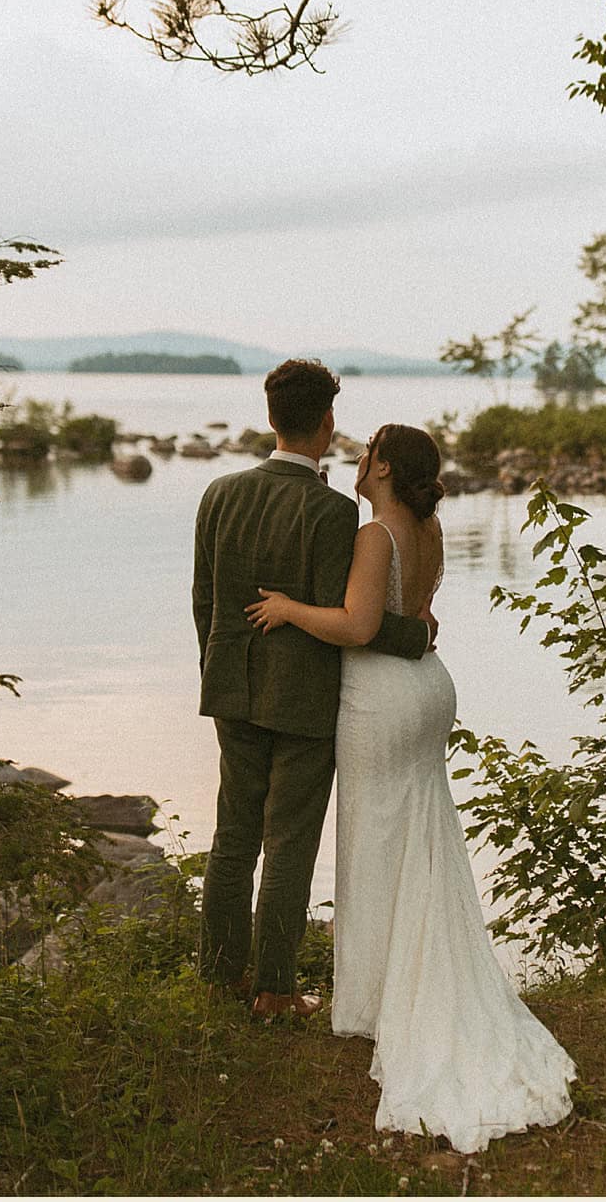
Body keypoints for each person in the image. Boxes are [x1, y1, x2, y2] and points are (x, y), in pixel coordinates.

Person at [245, 422, 576, 1153]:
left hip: (383, 698)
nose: (355, 461)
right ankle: (399, 985)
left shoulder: (376, 535)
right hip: (429, 690)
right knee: (421, 835)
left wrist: (289, 609)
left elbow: (362, 625)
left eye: (364, 455)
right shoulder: (428, 527)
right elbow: (420, 618)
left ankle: (378, 1001)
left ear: (384, 467)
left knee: (378, 839)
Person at [191, 360, 433, 1020]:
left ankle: (218, 979)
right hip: (302, 702)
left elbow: (204, 603)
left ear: (271, 417)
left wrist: (219, 671)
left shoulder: (218, 493)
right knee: (289, 843)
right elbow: (347, 619)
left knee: (233, 837)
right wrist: (415, 636)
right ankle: (274, 989)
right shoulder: (331, 510)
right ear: (326, 423)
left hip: (232, 691)